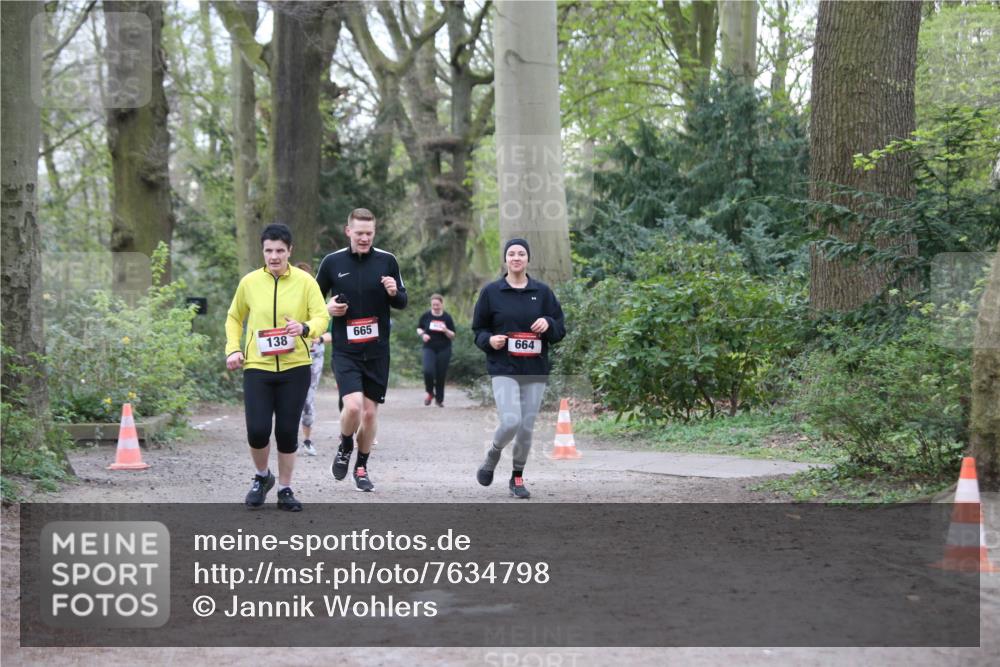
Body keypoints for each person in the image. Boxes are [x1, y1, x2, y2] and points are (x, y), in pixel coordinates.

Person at [225, 224, 329, 511]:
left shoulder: (306, 283)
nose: (274, 256)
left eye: (280, 251)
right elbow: (234, 318)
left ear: (290, 251)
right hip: (257, 366)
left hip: (295, 366)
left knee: (286, 431)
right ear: (262, 251)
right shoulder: (249, 283)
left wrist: (305, 327)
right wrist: (233, 348)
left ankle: (285, 488)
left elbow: (321, 317)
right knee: (257, 430)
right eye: (269, 250)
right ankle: (262, 478)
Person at [316, 208, 407, 492]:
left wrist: (394, 292)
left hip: (378, 351)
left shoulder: (387, 261)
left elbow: (403, 301)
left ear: (374, 233)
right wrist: (328, 309)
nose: (365, 238)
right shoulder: (332, 262)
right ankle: (345, 445)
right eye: (359, 233)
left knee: (369, 414)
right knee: (353, 407)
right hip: (346, 349)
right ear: (348, 232)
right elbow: (314, 301)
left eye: (369, 233)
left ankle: (362, 467)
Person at [471, 238, 566, 499]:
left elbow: (560, 329)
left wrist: (548, 323)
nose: (516, 257)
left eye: (521, 253)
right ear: (505, 259)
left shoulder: (543, 292)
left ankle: (517, 477)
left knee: (526, 427)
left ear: (528, 259)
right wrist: (489, 340)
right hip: (503, 366)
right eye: (511, 253)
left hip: (535, 369)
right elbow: (478, 330)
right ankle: (492, 454)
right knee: (511, 420)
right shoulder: (492, 292)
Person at [296, 262, 333, 456]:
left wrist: (317, 338)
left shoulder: (320, 304)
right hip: (290, 353)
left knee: (307, 399)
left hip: (314, 353)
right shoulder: (287, 302)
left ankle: (307, 440)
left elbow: (332, 334)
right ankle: (288, 438)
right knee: (289, 397)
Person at [416, 293, 456, 407]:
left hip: (444, 348)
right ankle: (429, 392)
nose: (435, 307)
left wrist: (446, 330)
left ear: (442, 304)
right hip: (429, 347)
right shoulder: (426, 316)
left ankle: (439, 399)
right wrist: (423, 334)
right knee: (427, 371)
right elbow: (419, 328)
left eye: (437, 305)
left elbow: (453, 335)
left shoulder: (447, 317)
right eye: (433, 305)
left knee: (441, 374)